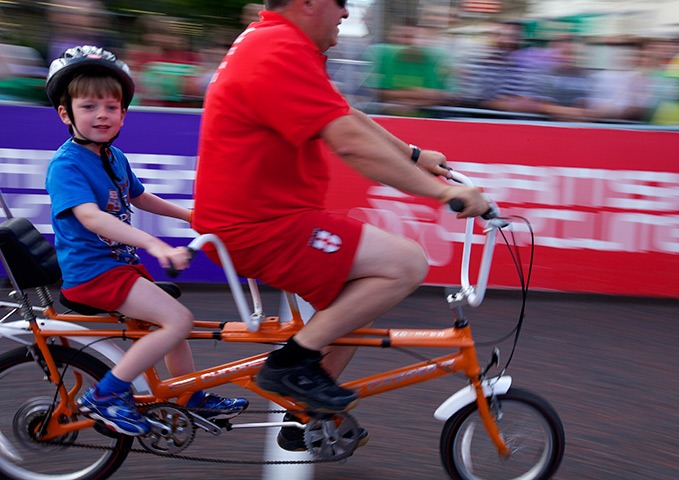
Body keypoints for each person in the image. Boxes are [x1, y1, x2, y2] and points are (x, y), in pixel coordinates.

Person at [192, 0, 489, 451]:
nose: (347, 14)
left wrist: (412, 154)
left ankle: (303, 414)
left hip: (264, 218)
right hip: (261, 225)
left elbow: (342, 113)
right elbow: (349, 143)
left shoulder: (275, 41)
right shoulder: (279, 49)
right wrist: (444, 194)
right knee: (405, 263)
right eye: (341, 3)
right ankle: (290, 365)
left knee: (356, 301)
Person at [44, 45, 248, 436]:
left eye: (112, 107)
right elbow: (91, 217)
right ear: (65, 114)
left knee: (168, 320)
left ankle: (187, 395)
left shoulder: (113, 156)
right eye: (89, 107)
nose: (102, 115)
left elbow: (139, 197)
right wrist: (154, 244)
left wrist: (191, 216)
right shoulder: (66, 164)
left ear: (123, 113)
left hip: (117, 267)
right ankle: (105, 395)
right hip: (93, 273)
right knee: (177, 321)